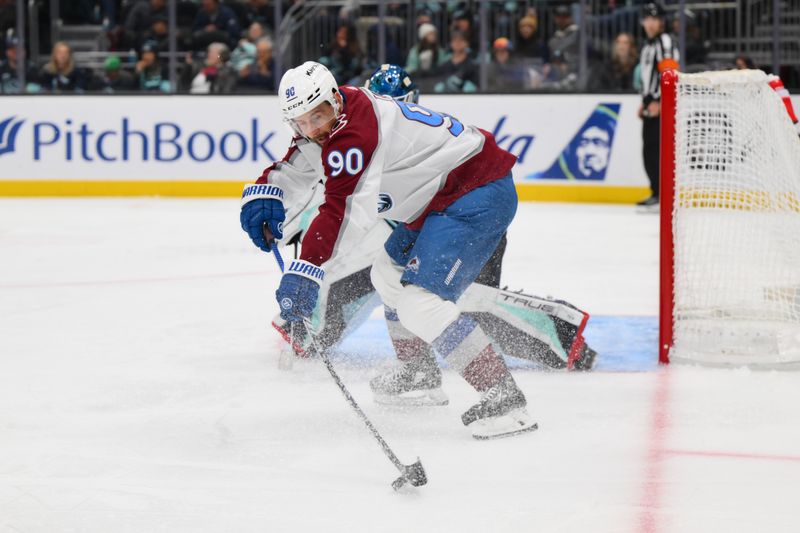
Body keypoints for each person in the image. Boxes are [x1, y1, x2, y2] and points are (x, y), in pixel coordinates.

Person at [239, 61, 539, 439]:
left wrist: (306, 269)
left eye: (318, 116)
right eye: (301, 122)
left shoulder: (353, 133)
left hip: (475, 194)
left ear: (334, 100)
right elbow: (300, 162)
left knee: (421, 302)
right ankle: (418, 373)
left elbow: (345, 211)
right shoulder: (338, 115)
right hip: (440, 199)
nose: (313, 129)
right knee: (386, 273)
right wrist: (267, 191)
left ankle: (506, 399)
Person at [637, 2, 678, 209]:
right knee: (649, 150)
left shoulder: (664, 41)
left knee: (658, 151)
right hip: (649, 104)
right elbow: (647, 77)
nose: (651, 23)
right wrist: (644, 100)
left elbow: (668, 72)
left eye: (656, 19)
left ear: (662, 22)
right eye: (648, 19)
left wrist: (662, 102)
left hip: (661, 105)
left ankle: (663, 196)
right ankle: (656, 192)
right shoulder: (647, 45)